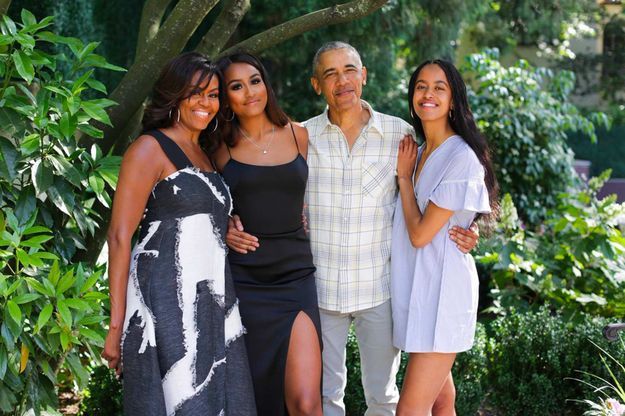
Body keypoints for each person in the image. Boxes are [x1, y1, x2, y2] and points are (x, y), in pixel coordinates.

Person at [227, 42, 479, 416]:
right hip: (319, 290)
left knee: (383, 397)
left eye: (349, 70)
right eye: (329, 74)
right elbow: (264, 185)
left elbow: (446, 181)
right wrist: (228, 220)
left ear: (364, 76)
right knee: (327, 398)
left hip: (378, 290)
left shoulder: (402, 136)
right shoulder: (301, 137)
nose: (341, 80)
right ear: (316, 85)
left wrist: (470, 226)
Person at [102, 52, 256, 415]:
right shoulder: (148, 149)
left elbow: (200, 221)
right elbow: (119, 237)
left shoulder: (205, 154)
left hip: (211, 297)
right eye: (196, 93)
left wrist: (228, 228)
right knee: (182, 400)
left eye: (214, 94)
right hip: (165, 299)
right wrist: (116, 325)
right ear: (174, 95)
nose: (206, 103)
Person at [212, 52, 322, 416]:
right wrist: (223, 226)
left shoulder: (299, 134)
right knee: (258, 400)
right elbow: (200, 202)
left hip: (296, 277)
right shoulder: (218, 148)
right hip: (246, 281)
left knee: (307, 403)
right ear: (226, 97)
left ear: (266, 84)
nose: (249, 92)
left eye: (255, 80)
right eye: (236, 86)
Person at [391, 59, 499, 416]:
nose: (428, 94)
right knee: (440, 400)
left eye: (440, 87)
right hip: (418, 289)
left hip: (442, 294)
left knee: (409, 410)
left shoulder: (460, 157)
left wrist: (404, 180)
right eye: (421, 86)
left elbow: (421, 234)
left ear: (453, 100)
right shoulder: (419, 153)